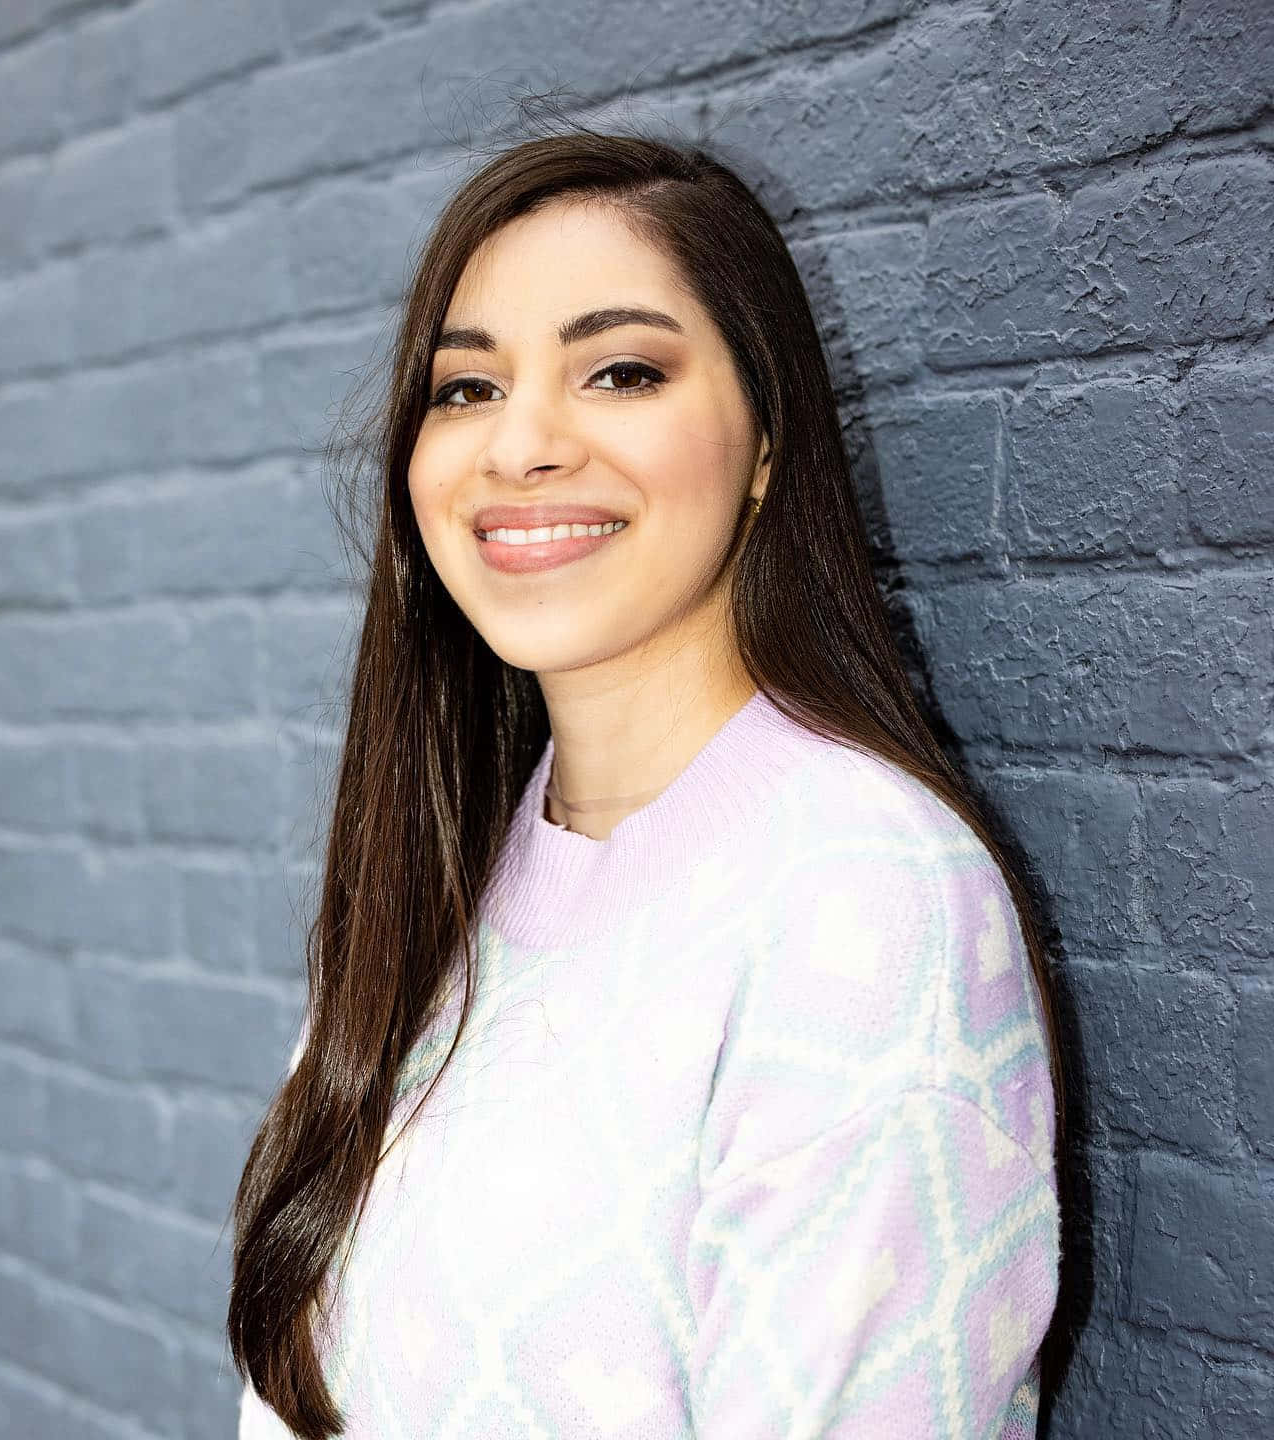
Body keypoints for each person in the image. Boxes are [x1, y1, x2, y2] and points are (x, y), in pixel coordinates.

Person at [228, 116, 1064, 1440]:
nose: (522, 446)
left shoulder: (864, 893)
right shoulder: (437, 876)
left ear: (767, 446)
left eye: (620, 373)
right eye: (466, 388)